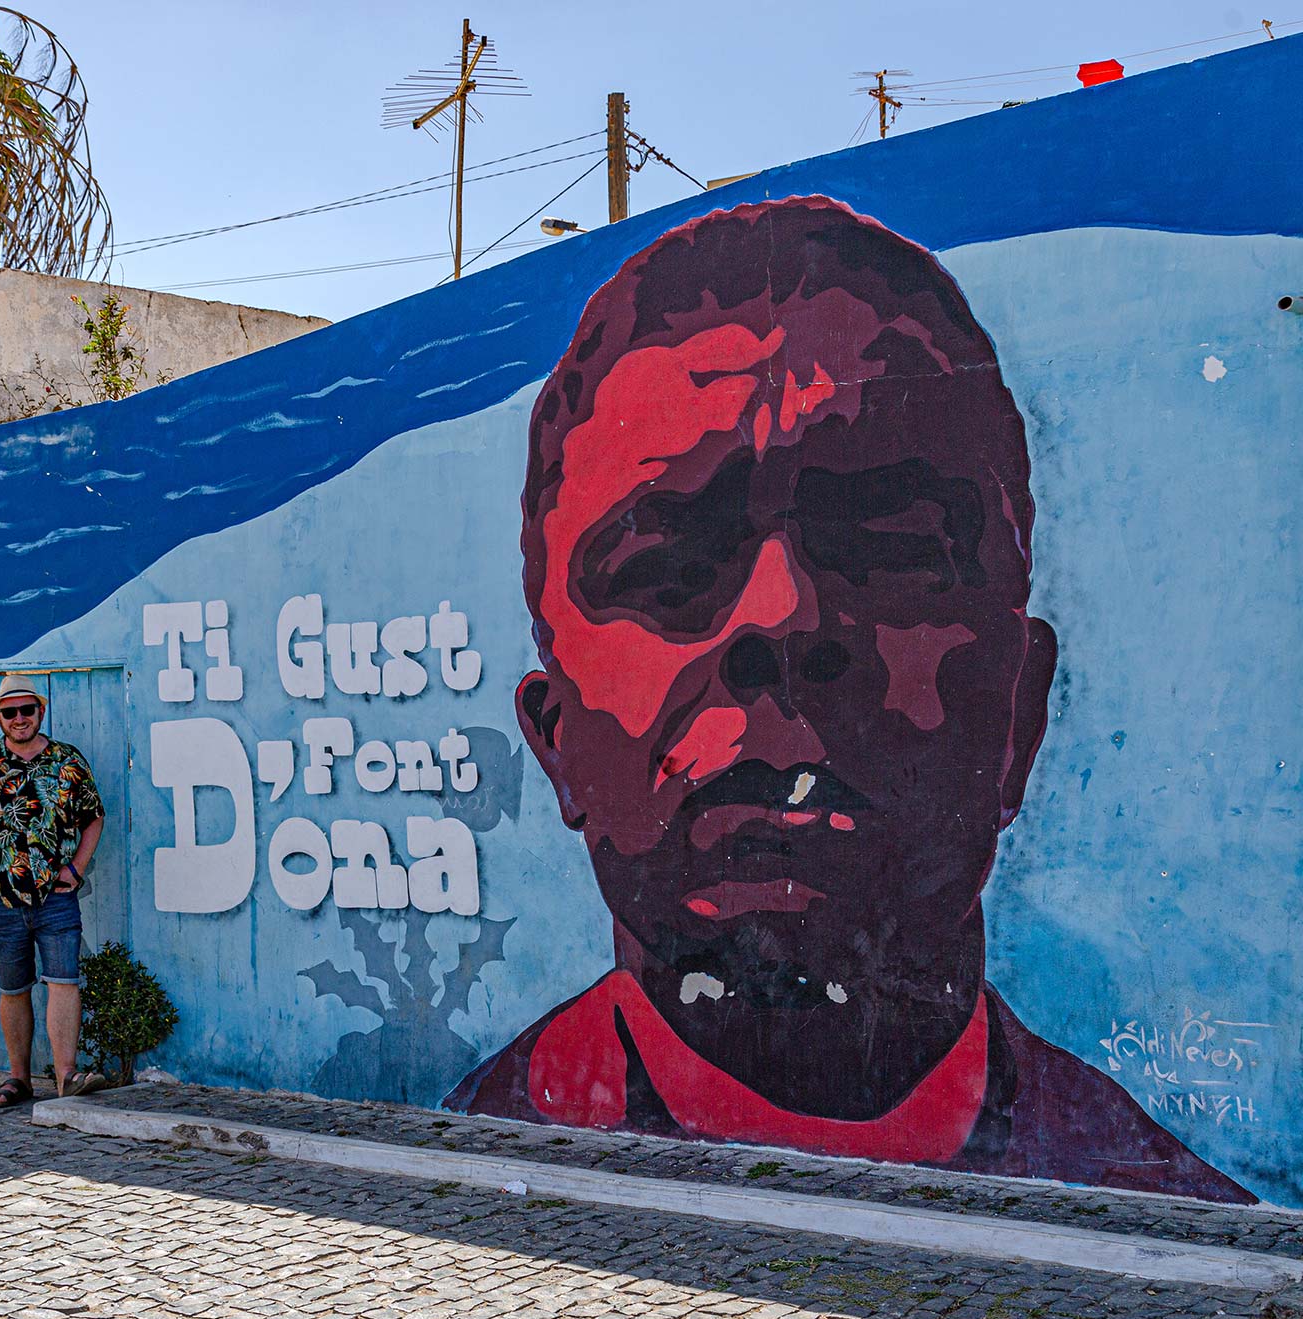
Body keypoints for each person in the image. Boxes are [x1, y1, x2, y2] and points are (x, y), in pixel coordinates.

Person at [445, 196, 1253, 1205]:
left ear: (1019, 713)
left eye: (891, 548)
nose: (780, 618)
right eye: (665, 569)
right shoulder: (467, 1158)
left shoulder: (1176, 1213)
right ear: (553, 738)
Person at [0, 674, 109, 1108]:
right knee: (13, 988)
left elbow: (94, 815)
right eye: (9, 712)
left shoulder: (67, 761)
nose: (19, 719)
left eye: (26, 710)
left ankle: (66, 1076)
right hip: (0, 900)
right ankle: (18, 1079)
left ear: (41, 712)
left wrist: (77, 867)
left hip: (56, 897)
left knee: (63, 980)